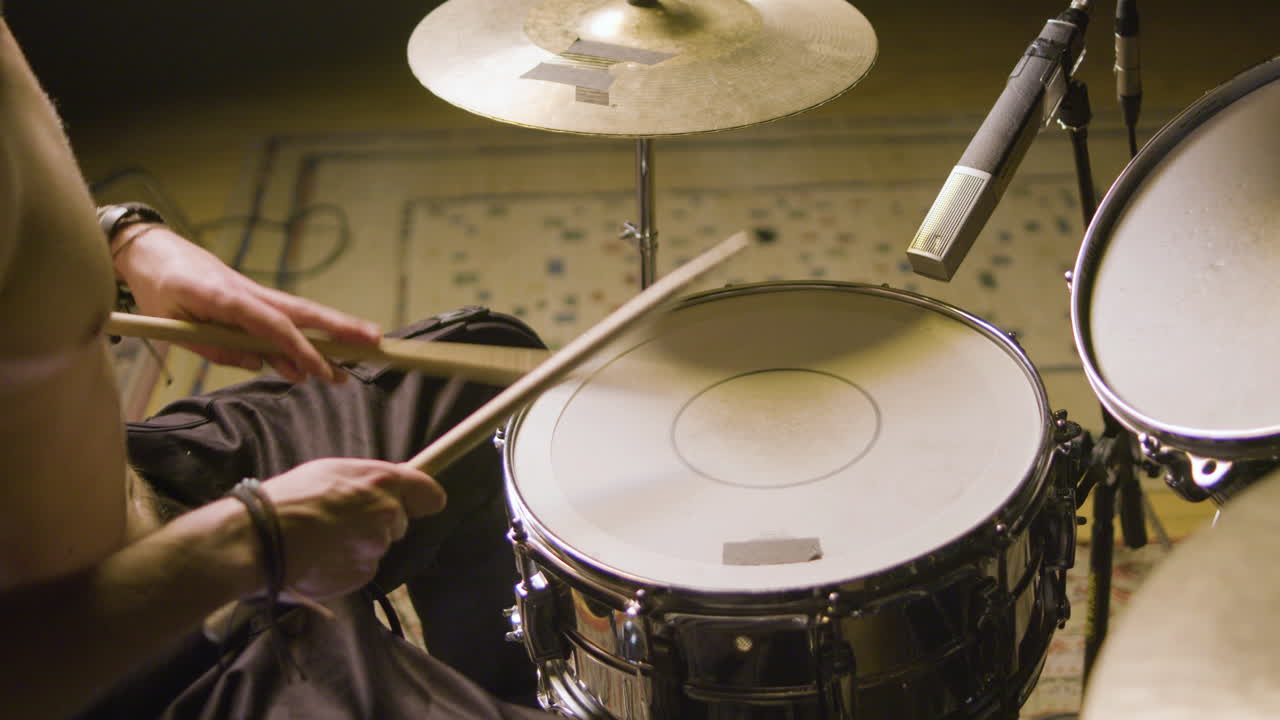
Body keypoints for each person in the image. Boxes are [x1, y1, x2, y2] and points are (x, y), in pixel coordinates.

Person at [0, 16, 548, 719]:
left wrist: (124, 242)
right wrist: (249, 542)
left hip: (157, 486)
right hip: (127, 670)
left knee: (492, 379)